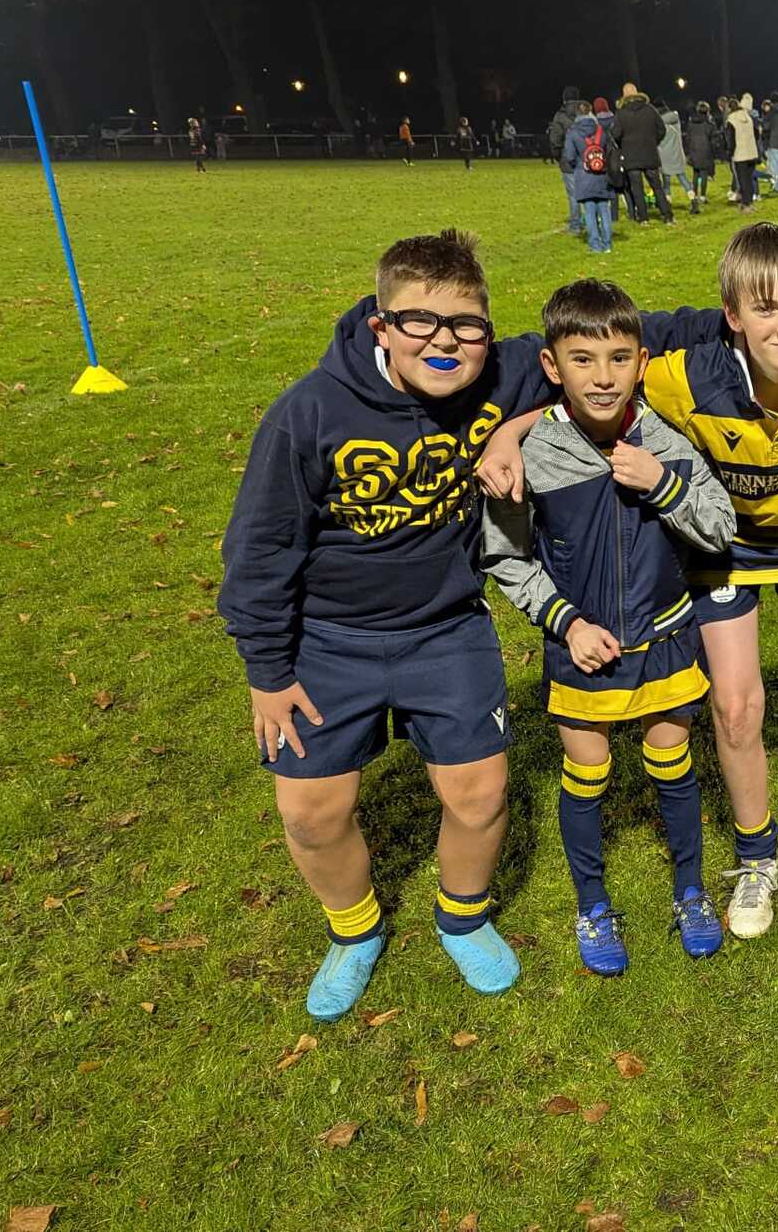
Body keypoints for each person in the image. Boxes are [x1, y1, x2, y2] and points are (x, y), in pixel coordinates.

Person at [484, 223, 778, 938]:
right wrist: (510, 432)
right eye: (766, 308)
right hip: (723, 546)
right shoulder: (682, 375)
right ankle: (755, 855)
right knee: (737, 707)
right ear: (732, 315)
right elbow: (591, 382)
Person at [217, 229, 558, 1020]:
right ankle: (354, 930)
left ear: (487, 328)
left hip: (446, 629)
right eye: (419, 322)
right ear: (380, 325)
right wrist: (268, 673)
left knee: (479, 796)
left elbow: (610, 345)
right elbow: (258, 553)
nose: (444, 341)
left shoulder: (504, 372)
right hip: (325, 641)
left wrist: (511, 429)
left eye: (465, 324)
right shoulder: (308, 413)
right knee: (310, 815)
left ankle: (462, 918)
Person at [482, 278, 735, 973]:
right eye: (583, 360)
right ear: (551, 366)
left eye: (619, 358)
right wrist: (566, 624)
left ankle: (690, 891)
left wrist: (663, 484)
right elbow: (505, 556)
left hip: (666, 639)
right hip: (581, 648)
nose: (603, 377)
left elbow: (720, 527)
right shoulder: (531, 455)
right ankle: (592, 905)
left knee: (672, 765)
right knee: (587, 772)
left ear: (641, 363)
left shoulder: (664, 443)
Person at [561, 99, 619, 254]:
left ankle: (595, 244)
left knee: (589, 210)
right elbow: (608, 150)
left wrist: (579, 165)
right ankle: (607, 244)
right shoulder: (600, 130)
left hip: (584, 174)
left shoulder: (573, 132)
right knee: (604, 209)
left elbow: (569, 156)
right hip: (601, 174)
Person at [615, 85, 673, 226]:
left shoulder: (621, 113)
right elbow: (661, 129)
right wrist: (653, 142)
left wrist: (623, 145)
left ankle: (643, 218)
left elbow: (616, 134)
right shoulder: (650, 109)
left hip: (631, 156)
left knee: (637, 188)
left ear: (624, 95)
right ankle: (667, 216)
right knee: (657, 186)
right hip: (650, 153)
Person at [549, 87, 586, 233]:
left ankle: (576, 225)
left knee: (573, 194)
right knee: (590, 192)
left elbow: (555, 140)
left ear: (564, 99)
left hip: (568, 159)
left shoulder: (560, 116)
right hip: (586, 158)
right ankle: (592, 222)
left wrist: (558, 156)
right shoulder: (586, 112)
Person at [728, 91, 761, 211]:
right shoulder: (748, 117)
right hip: (752, 152)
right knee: (749, 179)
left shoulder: (731, 119)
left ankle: (746, 205)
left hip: (740, 154)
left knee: (743, 181)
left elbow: (731, 139)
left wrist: (730, 153)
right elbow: (757, 134)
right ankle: (750, 203)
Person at [684, 100, 718, 214]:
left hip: (693, 150)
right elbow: (713, 139)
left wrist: (689, 150)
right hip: (705, 151)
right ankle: (702, 196)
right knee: (703, 174)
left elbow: (687, 137)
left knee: (695, 173)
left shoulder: (691, 123)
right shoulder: (709, 124)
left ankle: (694, 195)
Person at [657, 100, 691, 208]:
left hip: (664, 155)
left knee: (666, 182)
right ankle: (693, 198)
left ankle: (668, 202)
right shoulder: (675, 118)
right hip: (677, 153)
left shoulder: (658, 123)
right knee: (683, 178)